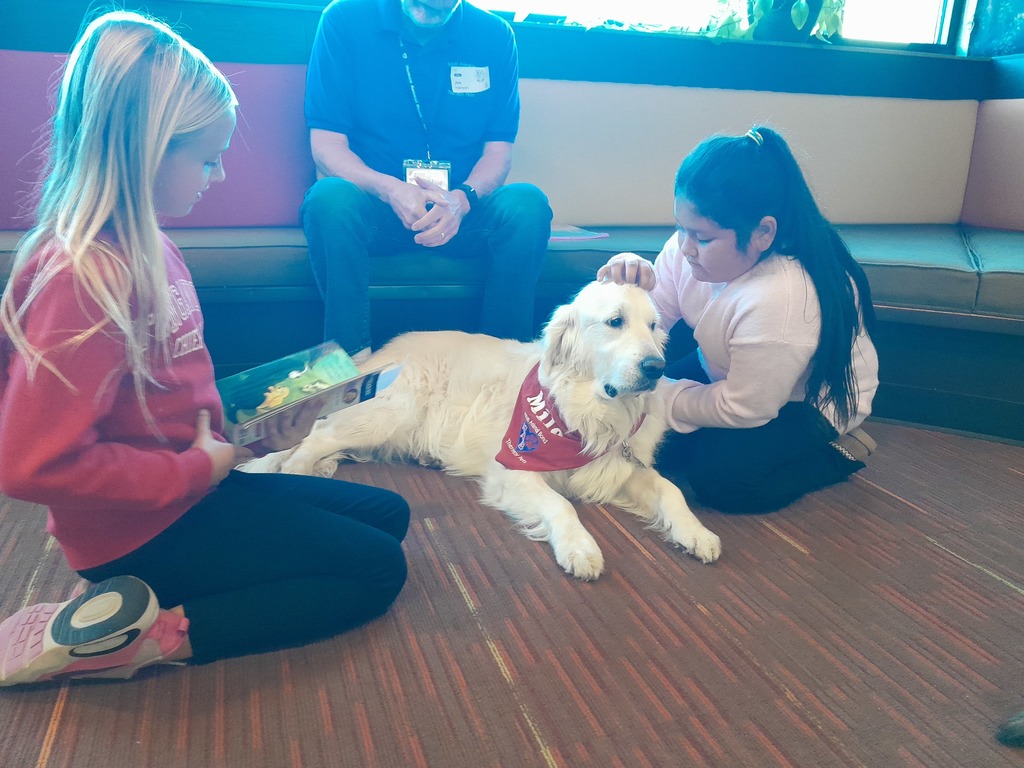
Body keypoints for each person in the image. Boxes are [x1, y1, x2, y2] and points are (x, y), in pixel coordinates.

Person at [0, 11, 409, 686]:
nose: (217, 176)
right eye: (209, 158)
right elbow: (27, 465)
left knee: (387, 515)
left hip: (189, 490)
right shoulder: (84, 279)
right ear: (147, 150)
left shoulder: (152, 246)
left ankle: (128, 601)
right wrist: (195, 471)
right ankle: (143, 639)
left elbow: (160, 403)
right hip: (147, 525)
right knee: (376, 568)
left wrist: (252, 432)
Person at [598, 126, 879, 514]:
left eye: (703, 238)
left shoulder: (780, 298)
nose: (685, 248)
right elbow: (649, 324)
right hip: (728, 369)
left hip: (805, 402)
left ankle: (838, 453)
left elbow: (746, 408)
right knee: (635, 441)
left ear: (763, 233)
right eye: (681, 228)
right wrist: (627, 287)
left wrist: (663, 397)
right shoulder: (687, 251)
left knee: (723, 481)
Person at [302, 0, 553, 362]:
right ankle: (350, 366)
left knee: (528, 204)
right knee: (328, 198)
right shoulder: (343, 19)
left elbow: (498, 152)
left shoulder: (495, 35)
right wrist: (391, 189)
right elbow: (326, 146)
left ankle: (500, 366)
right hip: (377, 208)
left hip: (459, 212)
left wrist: (462, 199)